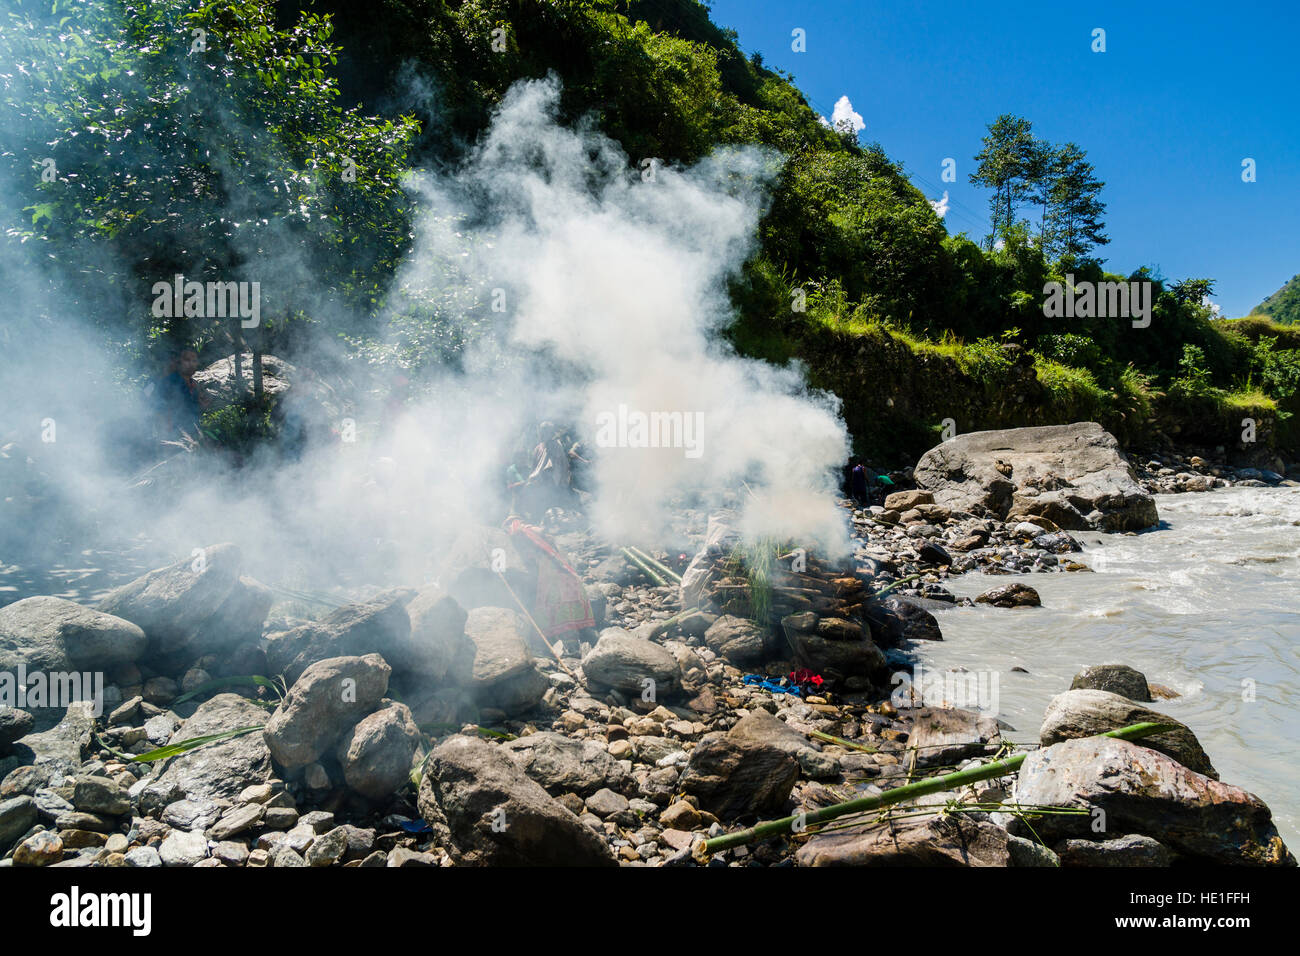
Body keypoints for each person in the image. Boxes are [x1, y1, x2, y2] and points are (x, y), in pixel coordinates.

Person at [150, 348, 208, 439]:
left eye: (194, 361)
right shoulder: (169, 382)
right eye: (187, 360)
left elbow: (193, 410)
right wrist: (164, 436)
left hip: (192, 435)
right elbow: (159, 410)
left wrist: (203, 406)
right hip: (172, 436)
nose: (191, 364)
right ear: (179, 362)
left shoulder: (194, 384)